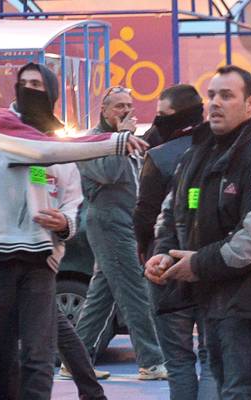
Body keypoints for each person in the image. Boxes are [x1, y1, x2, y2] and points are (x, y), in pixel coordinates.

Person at [0, 63, 146, 400]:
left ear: (50, 92)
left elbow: (71, 198)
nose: (29, 90)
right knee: (5, 357)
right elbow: (45, 152)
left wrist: (65, 224)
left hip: (41, 259)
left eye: (37, 84)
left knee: (39, 354)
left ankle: (100, 385)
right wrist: (116, 140)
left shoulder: (60, 141)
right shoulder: (0, 123)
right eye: (24, 83)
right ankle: (97, 386)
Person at [146, 65, 251, 399]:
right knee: (223, 386)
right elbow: (172, 211)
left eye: (227, 96)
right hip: (212, 295)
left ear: (250, 104)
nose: (215, 103)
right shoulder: (197, 153)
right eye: (212, 95)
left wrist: (198, 263)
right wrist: (163, 253)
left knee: (242, 392)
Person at [72, 84, 168, 381]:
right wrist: (122, 139)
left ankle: (74, 360)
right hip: (108, 223)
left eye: (129, 105)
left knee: (101, 297)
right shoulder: (91, 142)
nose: (126, 111)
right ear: (103, 110)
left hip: (127, 222)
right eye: (119, 106)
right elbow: (109, 174)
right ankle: (151, 361)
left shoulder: (128, 138)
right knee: (134, 292)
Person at [133, 83, 220, 400]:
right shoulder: (222, 151)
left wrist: (148, 255)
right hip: (210, 264)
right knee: (211, 360)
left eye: (162, 114)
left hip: (165, 268)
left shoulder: (159, 157)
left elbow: (145, 216)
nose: (157, 121)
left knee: (179, 361)